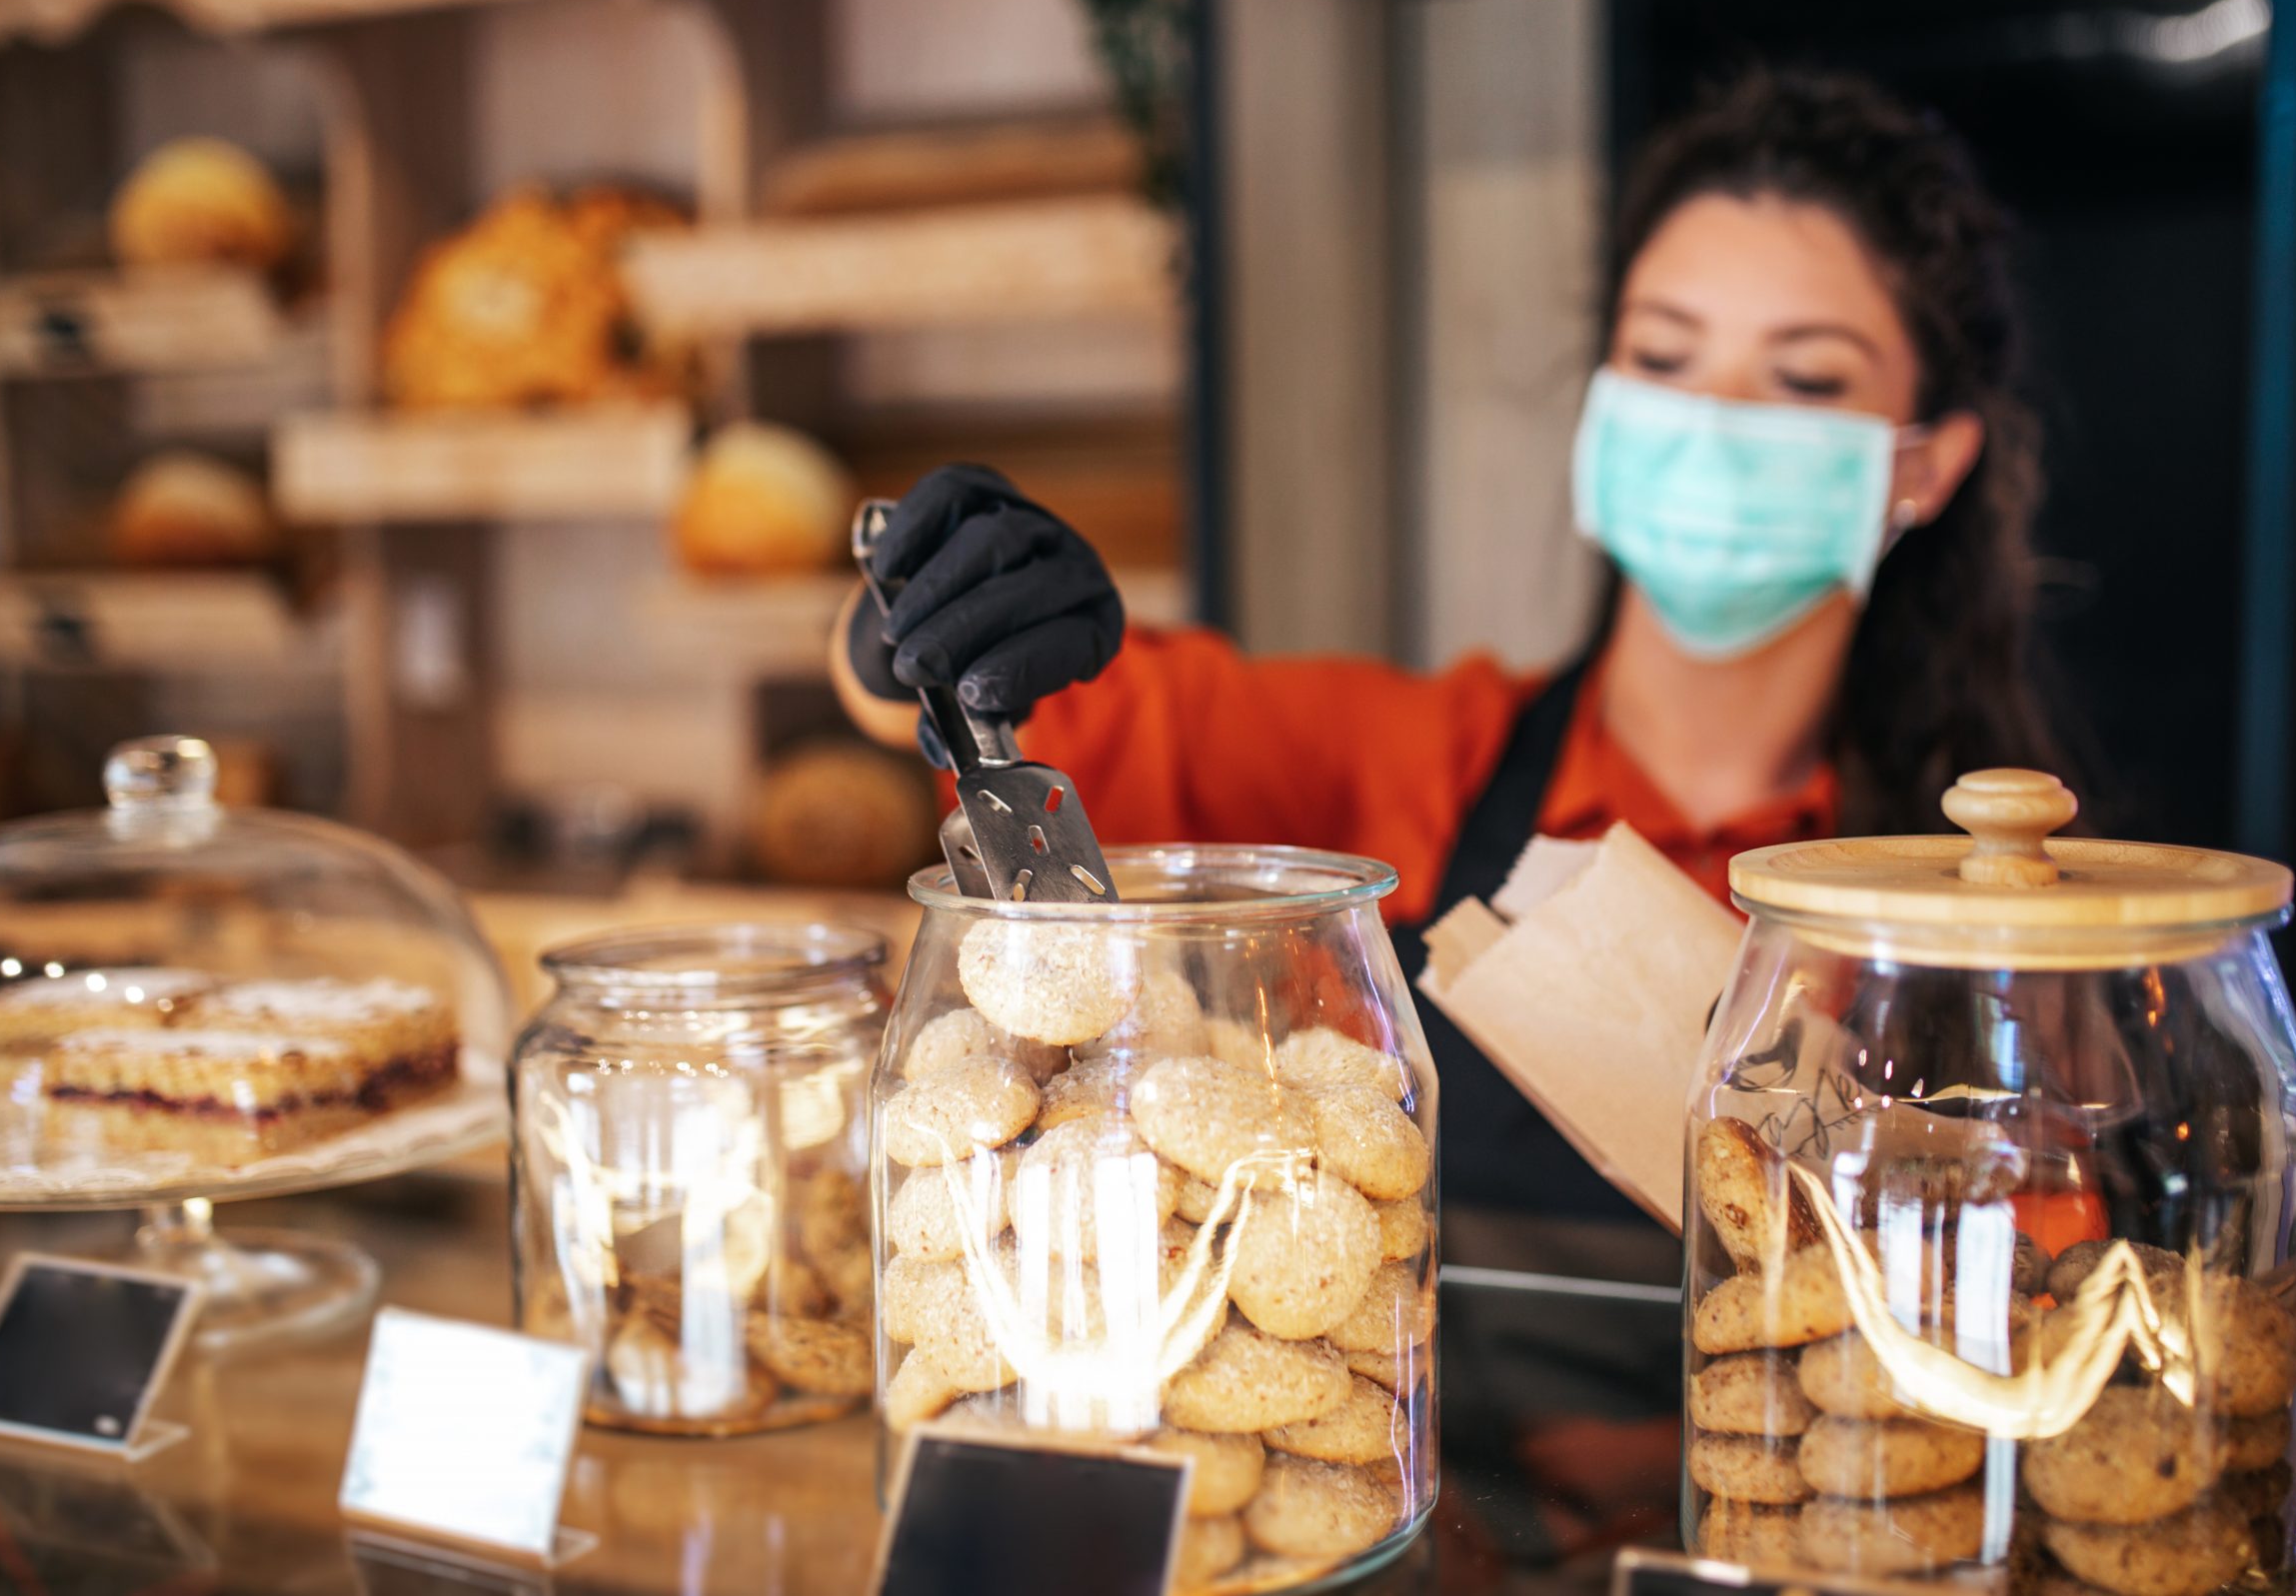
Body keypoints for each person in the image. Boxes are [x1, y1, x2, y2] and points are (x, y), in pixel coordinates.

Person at [832, 67, 2074, 1233]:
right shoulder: (1414, 766)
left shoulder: (1984, 917)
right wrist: (929, 618)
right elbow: (1025, 716)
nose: (1711, 423)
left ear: (1925, 462)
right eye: (1662, 357)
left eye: (1802, 379)